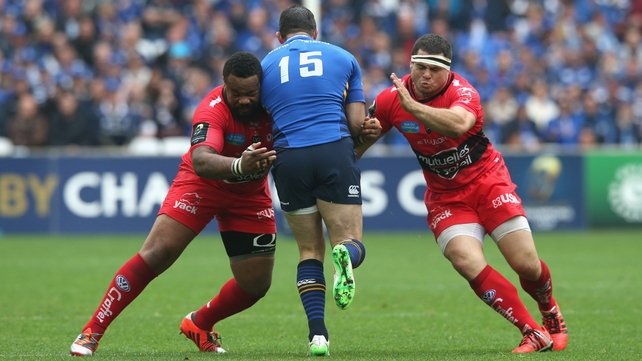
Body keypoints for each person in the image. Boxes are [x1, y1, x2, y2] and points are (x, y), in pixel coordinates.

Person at [356, 34, 568, 353]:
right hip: (445, 196)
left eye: (434, 69)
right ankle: (533, 331)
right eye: (420, 67)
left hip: (488, 181)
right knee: (466, 261)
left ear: (448, 71)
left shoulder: (464, 92)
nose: (426, 75)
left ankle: (550, 311)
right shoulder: (389, 99)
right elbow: (357, 148)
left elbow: (458, 125)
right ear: (410, 65)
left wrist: (412, 106)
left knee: (526, 264)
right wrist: (365, 135)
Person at [70, 52, 278, 356]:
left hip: (249, 194)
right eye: (236, 93)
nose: (244, 100)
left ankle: (199, 323)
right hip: (202, 185)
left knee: (256, 284)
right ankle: (92, 331)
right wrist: (238, 166)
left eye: (251, 93)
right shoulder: (213, 109)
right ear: (224, 86)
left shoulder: (278, 104)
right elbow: (202, 160)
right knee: (158, 252)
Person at [259, 5, 377, 356]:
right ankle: (346, 255)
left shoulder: (265, 65)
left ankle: (318, 336)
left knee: (309, 251)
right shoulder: (343, 57)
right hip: (333, 151)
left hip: (288, 157)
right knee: (350, 240)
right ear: (315, 34)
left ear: (279, 37)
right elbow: (357, 125)